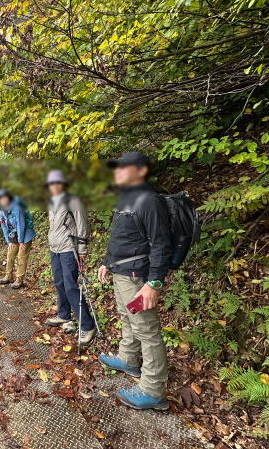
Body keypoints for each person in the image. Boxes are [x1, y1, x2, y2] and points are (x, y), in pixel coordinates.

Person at [97, 152, 172, 411]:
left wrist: (154, 283)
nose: (117, 171)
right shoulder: (126, 199)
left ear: (140, 171)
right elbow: (120, 238)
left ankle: (153, 390)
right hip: (121, 274)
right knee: (126, 316)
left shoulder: (149, 201)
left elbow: (161, 244)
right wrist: (107, 262)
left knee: (147, 330)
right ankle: (128, 359)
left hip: (137, 278)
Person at [43, 170, 96, 344]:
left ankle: (87, 326)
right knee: (59, 283)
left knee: (70, 286)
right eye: (51, 184)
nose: (54, 187)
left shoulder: (73, 200)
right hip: (55, 249)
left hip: (69, 249)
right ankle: (64, 314)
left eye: (57, 183)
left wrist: (82, 249)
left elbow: (82, 225)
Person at [0, 189, 36, 289]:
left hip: (25, 234)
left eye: (4, 198)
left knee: (21, 256)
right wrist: (8, 241)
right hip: (14, 234)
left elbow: (21, 225)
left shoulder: (17, 207)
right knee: (10, 254)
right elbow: (4, 226)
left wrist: (21, 241)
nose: (2, 200)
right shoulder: (2, 210)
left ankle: (19, 280)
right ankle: (8, 276)